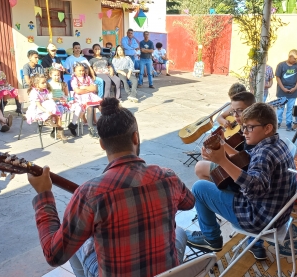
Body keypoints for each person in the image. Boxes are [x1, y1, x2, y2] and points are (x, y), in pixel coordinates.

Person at [27, 97, 195, 277]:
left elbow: (54, 255)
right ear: (135, 137)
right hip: (166, 273)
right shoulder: (167, 177)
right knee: (179, 231)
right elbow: (189, 203)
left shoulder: (90, 193)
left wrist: (44, 195)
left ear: (101, 144)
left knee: (77, 240)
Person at [186, 103, 297, 261]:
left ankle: (210, 238)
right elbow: (247, 157)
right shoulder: (275, 144)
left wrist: (222, 161)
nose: (244, 132)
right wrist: (223, 147)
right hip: (276, 215)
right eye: (243, 127)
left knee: (199, 188)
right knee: (214, 176)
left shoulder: (265, 154)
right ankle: (217, 227)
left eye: (250, 127)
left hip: (258, 218)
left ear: (267, 128)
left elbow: (254, 188)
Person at [195, 92, 256, 181]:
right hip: (241, 166)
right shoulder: (243, 126)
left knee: (199, 168)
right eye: (233, 111)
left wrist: (221, 144)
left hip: (244, 174)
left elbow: (245, 159)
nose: (235, 115)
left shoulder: (253, 131)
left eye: (240, 110)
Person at [25, 74, 67, 141]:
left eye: (45, 82)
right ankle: (47, 119)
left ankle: (60, 132)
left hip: (46, 108)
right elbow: (38, 105)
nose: (45, 84)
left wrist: (58, 99)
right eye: (43, 83)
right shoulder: (34, 92)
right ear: (36, 84)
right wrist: (46, 111)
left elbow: (50, 99)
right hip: (37, 110)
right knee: (51, 103)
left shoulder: (45, 90)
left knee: (58, 114)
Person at [48, 68, 83, 138]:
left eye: (58, 75)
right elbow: (47, 96)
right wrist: (56, 99)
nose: (57, 77)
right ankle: (56, 128)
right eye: (55, 75)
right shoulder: (48, 84)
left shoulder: (63, 84)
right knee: (58, 110)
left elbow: (66, 95)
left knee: (79, 106)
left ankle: (72, 125)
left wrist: (65, 99)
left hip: (63, 102)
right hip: (53, 103)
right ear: (50, 75)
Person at [70, 63, 102, 138]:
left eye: (83, 70)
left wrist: (83, 88)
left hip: (91, 96)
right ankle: (91, 129)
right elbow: (77, 91)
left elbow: (94, 88)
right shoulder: (74, 79)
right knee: (90, 107)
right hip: (80, 98)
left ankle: (107, 123)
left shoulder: (87, 77)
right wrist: (88, 88)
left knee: (101, 105)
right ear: (75, 71)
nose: (82, 72)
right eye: (79, 71)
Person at [275, 49, 297, 131]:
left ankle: (288, 124)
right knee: (280, 108)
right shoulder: (281, 65)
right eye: (295, 58)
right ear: (290, 57)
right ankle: (278, 122)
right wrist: (283, 88)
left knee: (290, 109)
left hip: (293, 92)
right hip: (282, 91)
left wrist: (295, 88)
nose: (296, 60)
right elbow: (278, 78)